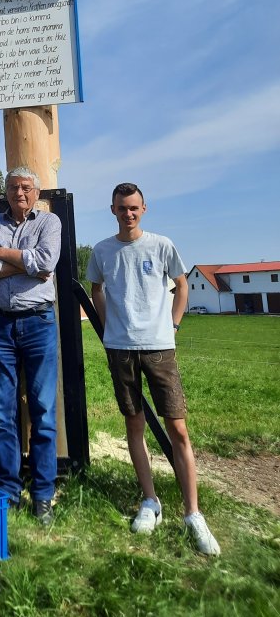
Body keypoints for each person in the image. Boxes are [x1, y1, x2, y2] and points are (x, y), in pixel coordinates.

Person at [86, 182, 220, 555]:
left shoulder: (161, 245)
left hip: (160, 347)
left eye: (133, 207)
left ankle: (193, 513)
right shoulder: (102, 250)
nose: (128, 213)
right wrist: (108, 327)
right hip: (121, 348)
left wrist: (173, 325)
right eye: (121, 207)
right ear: (112, 210)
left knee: (178, 427)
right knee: (134, 423)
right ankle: (150, 500)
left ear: (143, 209)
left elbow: (181, 285)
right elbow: (96, 289)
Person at [0, 167, 61, 524]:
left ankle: (42, 494)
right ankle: (8, 488)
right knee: (2, 411)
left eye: (25, 187)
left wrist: (3, 253)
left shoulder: (49, 223)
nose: (19, 193)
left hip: (38, 322)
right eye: (12, 187)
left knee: (43, 410)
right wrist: (23, 263)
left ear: (35, 192)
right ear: (6, 191)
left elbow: (47, 262)